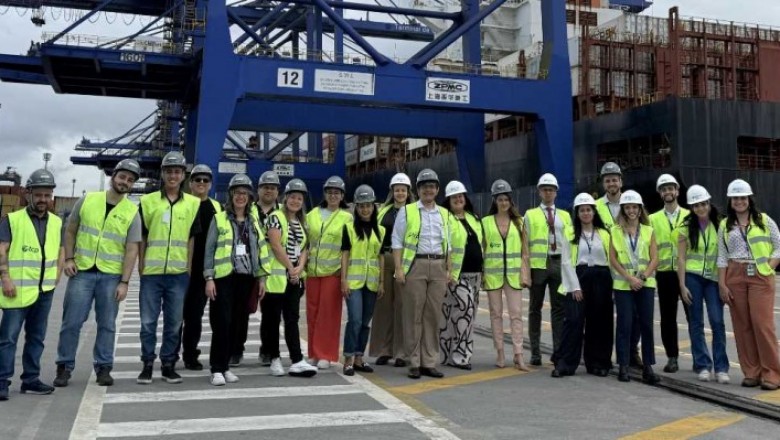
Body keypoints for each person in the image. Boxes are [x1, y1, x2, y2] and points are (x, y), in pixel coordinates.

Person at [53, 159, 142, 387]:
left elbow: (132, 249)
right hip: (81, 272)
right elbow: (70, 230)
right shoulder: (88, 200)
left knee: (107, 324)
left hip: (111, 276)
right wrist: (69, 258)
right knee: (71, 322)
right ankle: (64, 366)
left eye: (130, 180)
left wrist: (124, 282)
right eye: (122, 177)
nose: (125, 182)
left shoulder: (132, 212)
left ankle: (104, 367)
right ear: (114, 176)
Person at [136, 151, 200, 385]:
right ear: (162, 174)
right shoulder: (148, 201)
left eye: (177, 171)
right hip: (152, 274)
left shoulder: (193, 204)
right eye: (169, 171)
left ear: (183, 175)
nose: (173, 175)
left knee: (174, 323)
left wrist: (189, 267)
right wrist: (141, 264)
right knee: (147, 323)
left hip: (178, 274)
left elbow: (192, 238)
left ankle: (168, 364)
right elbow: (141, 236)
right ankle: (147, 364)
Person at [0, 169, 64, 400]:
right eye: (38, 195)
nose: (43, 200)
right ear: (28, 194)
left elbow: (60, 249)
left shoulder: (57, 222)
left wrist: (57, 274)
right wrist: (5, 277)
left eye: (47, 196)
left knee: (36, 338)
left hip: (44, 292)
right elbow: (2, 251)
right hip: (15, 291)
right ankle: (2, 382)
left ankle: (30, 380)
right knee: (8, 338)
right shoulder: (12, 220)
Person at [203, 174, 269, 386]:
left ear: (250, 197)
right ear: (230, 196)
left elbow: (259, 250)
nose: (240, 197)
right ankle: (216, 369)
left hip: (246, 279)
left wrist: (261, 279)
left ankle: (226, 367)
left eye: (244, 193)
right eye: (236, 193)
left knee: (236, 325)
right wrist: (209, 277)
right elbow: (209, 250)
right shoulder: (219, 218)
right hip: (223, 279)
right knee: (221, 324)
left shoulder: (253, 221)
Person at [717, 179, 780, 390]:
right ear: (730, 201)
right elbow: (722, 257)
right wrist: (722, 285)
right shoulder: (725, 225)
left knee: (762, 325)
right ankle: (751, 372)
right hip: (735, 275)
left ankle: (772, 374)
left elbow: (778, 247)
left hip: (760, 275)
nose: (739, 201)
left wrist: (769, 267)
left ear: (749, 199)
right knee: (742, 326)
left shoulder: (764, 220)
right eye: (735, 198)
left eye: (743, 197)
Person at [393, 168, 451, 379]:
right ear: (418, 190)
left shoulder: (444, 213)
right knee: (413, 315)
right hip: (415, 266)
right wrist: (399, 269)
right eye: (424, 187)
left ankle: (430, 361)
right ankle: (414, 361)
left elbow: (449, 245)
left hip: (438, 266)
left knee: (433, 316)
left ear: (437, 190)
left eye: (432, 186)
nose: (428, 190)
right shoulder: (406, 211)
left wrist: (449, 270)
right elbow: (397, 242)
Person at [261, 179, 318, 377]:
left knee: (292, 319)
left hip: (294, 280)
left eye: (299, 198)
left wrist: (299, 267)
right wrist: (291, 267)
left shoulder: (302, 222)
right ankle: (274, 358)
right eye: (292, 197)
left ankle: (297, 359)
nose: (295, 201)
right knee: (272, 320)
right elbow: (276, 246)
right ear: (285, 198)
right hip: (275, 280)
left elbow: (304, 248)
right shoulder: (275, 217)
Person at [553, 193, 612, 378]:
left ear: (594, 212)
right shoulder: (570, 234)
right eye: (582, 210)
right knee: (573, 321)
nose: (585, 213)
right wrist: (575, 287)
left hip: (602, 278)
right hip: (579, 277)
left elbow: (613, 260)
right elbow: (566, 262)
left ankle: (598, 363)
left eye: (588, 210)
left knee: (600, 323)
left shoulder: (604, 234)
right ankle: (565, 364)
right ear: (577, 213)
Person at [676, 185, 729, 384]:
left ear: (709, 203)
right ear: (691, 207)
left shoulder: (722, 224)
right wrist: (682, 285)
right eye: (696, 205)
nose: (701, 208)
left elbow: (725, 255)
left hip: (714, 280)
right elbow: (681, 259)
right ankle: (703, 365)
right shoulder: (684, 227)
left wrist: (724, 282)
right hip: (693, 278)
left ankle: (722, 368)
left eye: (703, 204)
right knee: (696, 323)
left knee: (717, 321)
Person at [609, 190, 660, 384]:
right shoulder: (615, 231)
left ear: (640, 210)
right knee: (625, 324)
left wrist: (643, 276)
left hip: (645, 284)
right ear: (623, 210)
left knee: (646, 324)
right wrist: (630, 278)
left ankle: (648, 366)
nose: (631, 210)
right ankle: (623, 365)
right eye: (628, 207)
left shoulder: (648, 230)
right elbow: (612, 258)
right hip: (624, 285)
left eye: (634, 207)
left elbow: (655, 257)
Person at [595, 161, 642, 368]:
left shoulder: (632, 203)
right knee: (604, 315)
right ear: (603, 184)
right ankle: (604, 355)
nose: (611, 183)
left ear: (621, 181)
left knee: (635, 315)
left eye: (614, 179)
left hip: (629, 270)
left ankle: (632, 353)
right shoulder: (595, 207)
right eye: (607, 180)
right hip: (604, 268)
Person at [481, 180, 530, 370]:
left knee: (516, 315)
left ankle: (518, 354)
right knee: (495, 315)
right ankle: (500, 352)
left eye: (506, 199)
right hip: (493, 276)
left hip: (513, 275)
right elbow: (483, 249)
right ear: (494, 201)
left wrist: (526, 275)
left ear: (510, 201)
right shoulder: (485, 222)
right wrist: (483, 273)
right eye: (500, 199)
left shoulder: (519, 222)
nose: (503, 203)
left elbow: (525, 252)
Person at [524, 173, 572, 365]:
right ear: (539, 192)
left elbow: (570, 243)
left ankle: (558, 351)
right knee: (534, 308)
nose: (548, 192)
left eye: (551, 189)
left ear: (556, 192)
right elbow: (525, 244)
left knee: (559, 309)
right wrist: (526, 269)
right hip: (538, 265)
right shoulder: (530, 215)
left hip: (559, 263)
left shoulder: (566, 216)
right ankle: (535, 352)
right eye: (545, 189)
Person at [306, 176, 353, 369]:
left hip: (333, 273)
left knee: (329, 314)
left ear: (342, 196)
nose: (333, 195)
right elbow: (305, 243)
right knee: (312, 313)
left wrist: (344, 276)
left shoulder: (346, 217)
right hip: (312, 272)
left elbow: (347, 249)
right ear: (324, 194)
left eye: (337, 193)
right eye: (330, 192)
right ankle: (313, 353)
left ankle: (326, 354)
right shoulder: (312, 214)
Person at [370, 172, 414, 368]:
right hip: (384, 259)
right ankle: (384, 350)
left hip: (407, 260)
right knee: (383, 307)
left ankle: (402, 353)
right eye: (397, 190)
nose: (400, 193)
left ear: (408, 192)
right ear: (392, 191)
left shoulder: (415, 211)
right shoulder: (382, 211)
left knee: (403, 307)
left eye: (403, 190)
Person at [181, 164, 222, 371]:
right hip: (179, 269)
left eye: (206, 180)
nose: (201, 184)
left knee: (194, 316)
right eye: (198, 180)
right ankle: (169, 355)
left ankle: (190, 355)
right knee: (175, 317)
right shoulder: (182, 204)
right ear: (190, 183)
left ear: (211, 184)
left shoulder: (217, 208)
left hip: (203, 271)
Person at [340, 185, 384, 376]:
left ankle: (359, 358)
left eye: (368, 206)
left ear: (374, 207)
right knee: (355, 320)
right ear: (356, 208)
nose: (365, 209)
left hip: (372, 283)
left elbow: (380, 257)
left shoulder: (381, 230)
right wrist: (343, 280)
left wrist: (382, 281)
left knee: (366, 322)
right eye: (361, 206)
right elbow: (345, 255)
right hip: (354, 283)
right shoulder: (349, 229)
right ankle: (348, 359)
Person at [648, 174, 690, 373]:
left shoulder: (691, 216)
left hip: (688, 273)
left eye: (670, 188)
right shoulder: (652, 219)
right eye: (664, 189)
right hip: (664, 274)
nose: (668, 192)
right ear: (660, 193)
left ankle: (700, 358)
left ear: (677, 191)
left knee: (694, 317)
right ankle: (672, 357)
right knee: (668, 318)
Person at [440, 181, 483, 370]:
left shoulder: (473, 218)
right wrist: (448, 272)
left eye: (461, 196)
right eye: (454, 197)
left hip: (475, 276)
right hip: (456, 275)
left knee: (458, 316)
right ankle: (460, 357)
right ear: (448, 200)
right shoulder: (445, 219)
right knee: (464, 313)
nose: (458, 199)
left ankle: (446, 354)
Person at [252, 170, 281, 367]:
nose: (269, 191)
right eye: (265, 187)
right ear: (258, 189)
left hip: (273, 271)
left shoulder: (283, 213)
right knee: (240, 312)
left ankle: (268, 350)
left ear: (278, 191)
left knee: (271, 316)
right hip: (249, 268)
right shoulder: (249, 209)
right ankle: (235, 350)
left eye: (272, 187)